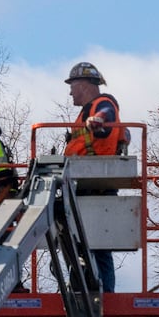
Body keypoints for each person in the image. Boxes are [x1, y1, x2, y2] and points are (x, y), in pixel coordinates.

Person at [63, 61, 128, 292]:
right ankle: (84, 287)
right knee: (83, 244)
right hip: (83, 182)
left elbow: (107, 115)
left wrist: (98, 119)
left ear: (84, 84)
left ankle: (102, 293)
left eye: (72, 85)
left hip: (95, 184)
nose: (70, 91)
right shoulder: (85, 111)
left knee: (97, 245)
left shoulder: (102, 104)